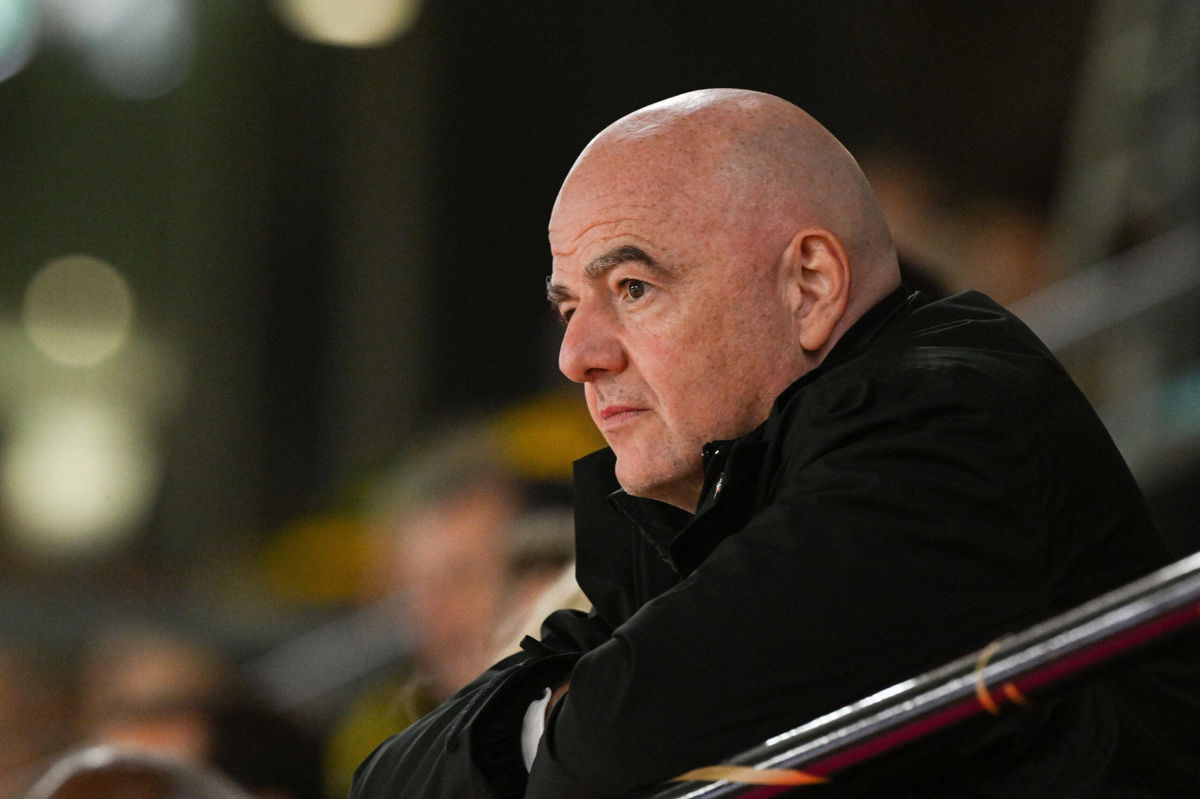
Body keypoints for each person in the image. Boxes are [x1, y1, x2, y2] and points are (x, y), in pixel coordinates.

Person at [350, 89, 1198, 797]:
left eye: (634, 288)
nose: (579, 355)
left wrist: (575, 704)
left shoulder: (952, 409)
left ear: (812, 284)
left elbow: (622, 740)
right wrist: (568, 709)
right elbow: (390, 781)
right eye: (570, 306)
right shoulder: (707, 483)